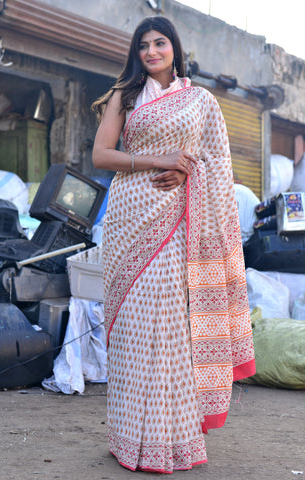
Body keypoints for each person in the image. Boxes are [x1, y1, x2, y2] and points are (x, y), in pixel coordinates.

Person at [92, 16, 256, 473]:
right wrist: (159, 159)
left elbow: (216, 163)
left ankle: (172, 441)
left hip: (179, 221)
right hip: (128, 221)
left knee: (169, 330)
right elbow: (101, 155)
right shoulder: (123, 96)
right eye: (143, 45)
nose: (151, 51)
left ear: (174, 47)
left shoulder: (200, 101)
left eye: (159, 42)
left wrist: (188, 169)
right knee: (131, 330)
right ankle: (129, 439)